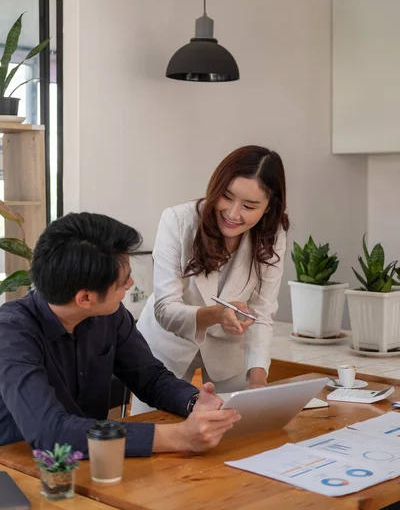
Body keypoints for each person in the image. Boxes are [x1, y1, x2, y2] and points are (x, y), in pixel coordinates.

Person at [0, 213, 240, 457]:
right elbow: (51, 431)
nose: (131, 283)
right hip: (22, 470)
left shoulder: (109, 315)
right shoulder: (10, 333)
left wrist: (194, 401)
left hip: (96, 463)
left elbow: (150, 377)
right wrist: (179, 436)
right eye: (123, 281)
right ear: (85, 298)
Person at [137, 145, 289, 401]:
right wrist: (216, 315)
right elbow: (165, 309)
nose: (232, 214)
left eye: (249, 206)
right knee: (156, 432)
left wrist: (258, 379)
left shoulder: (272, 234)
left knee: (237, 432)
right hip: (166, 348)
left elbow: (262, 314)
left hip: (227, 354)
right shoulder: (178, 221)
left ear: (269, 207)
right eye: (227, 197)